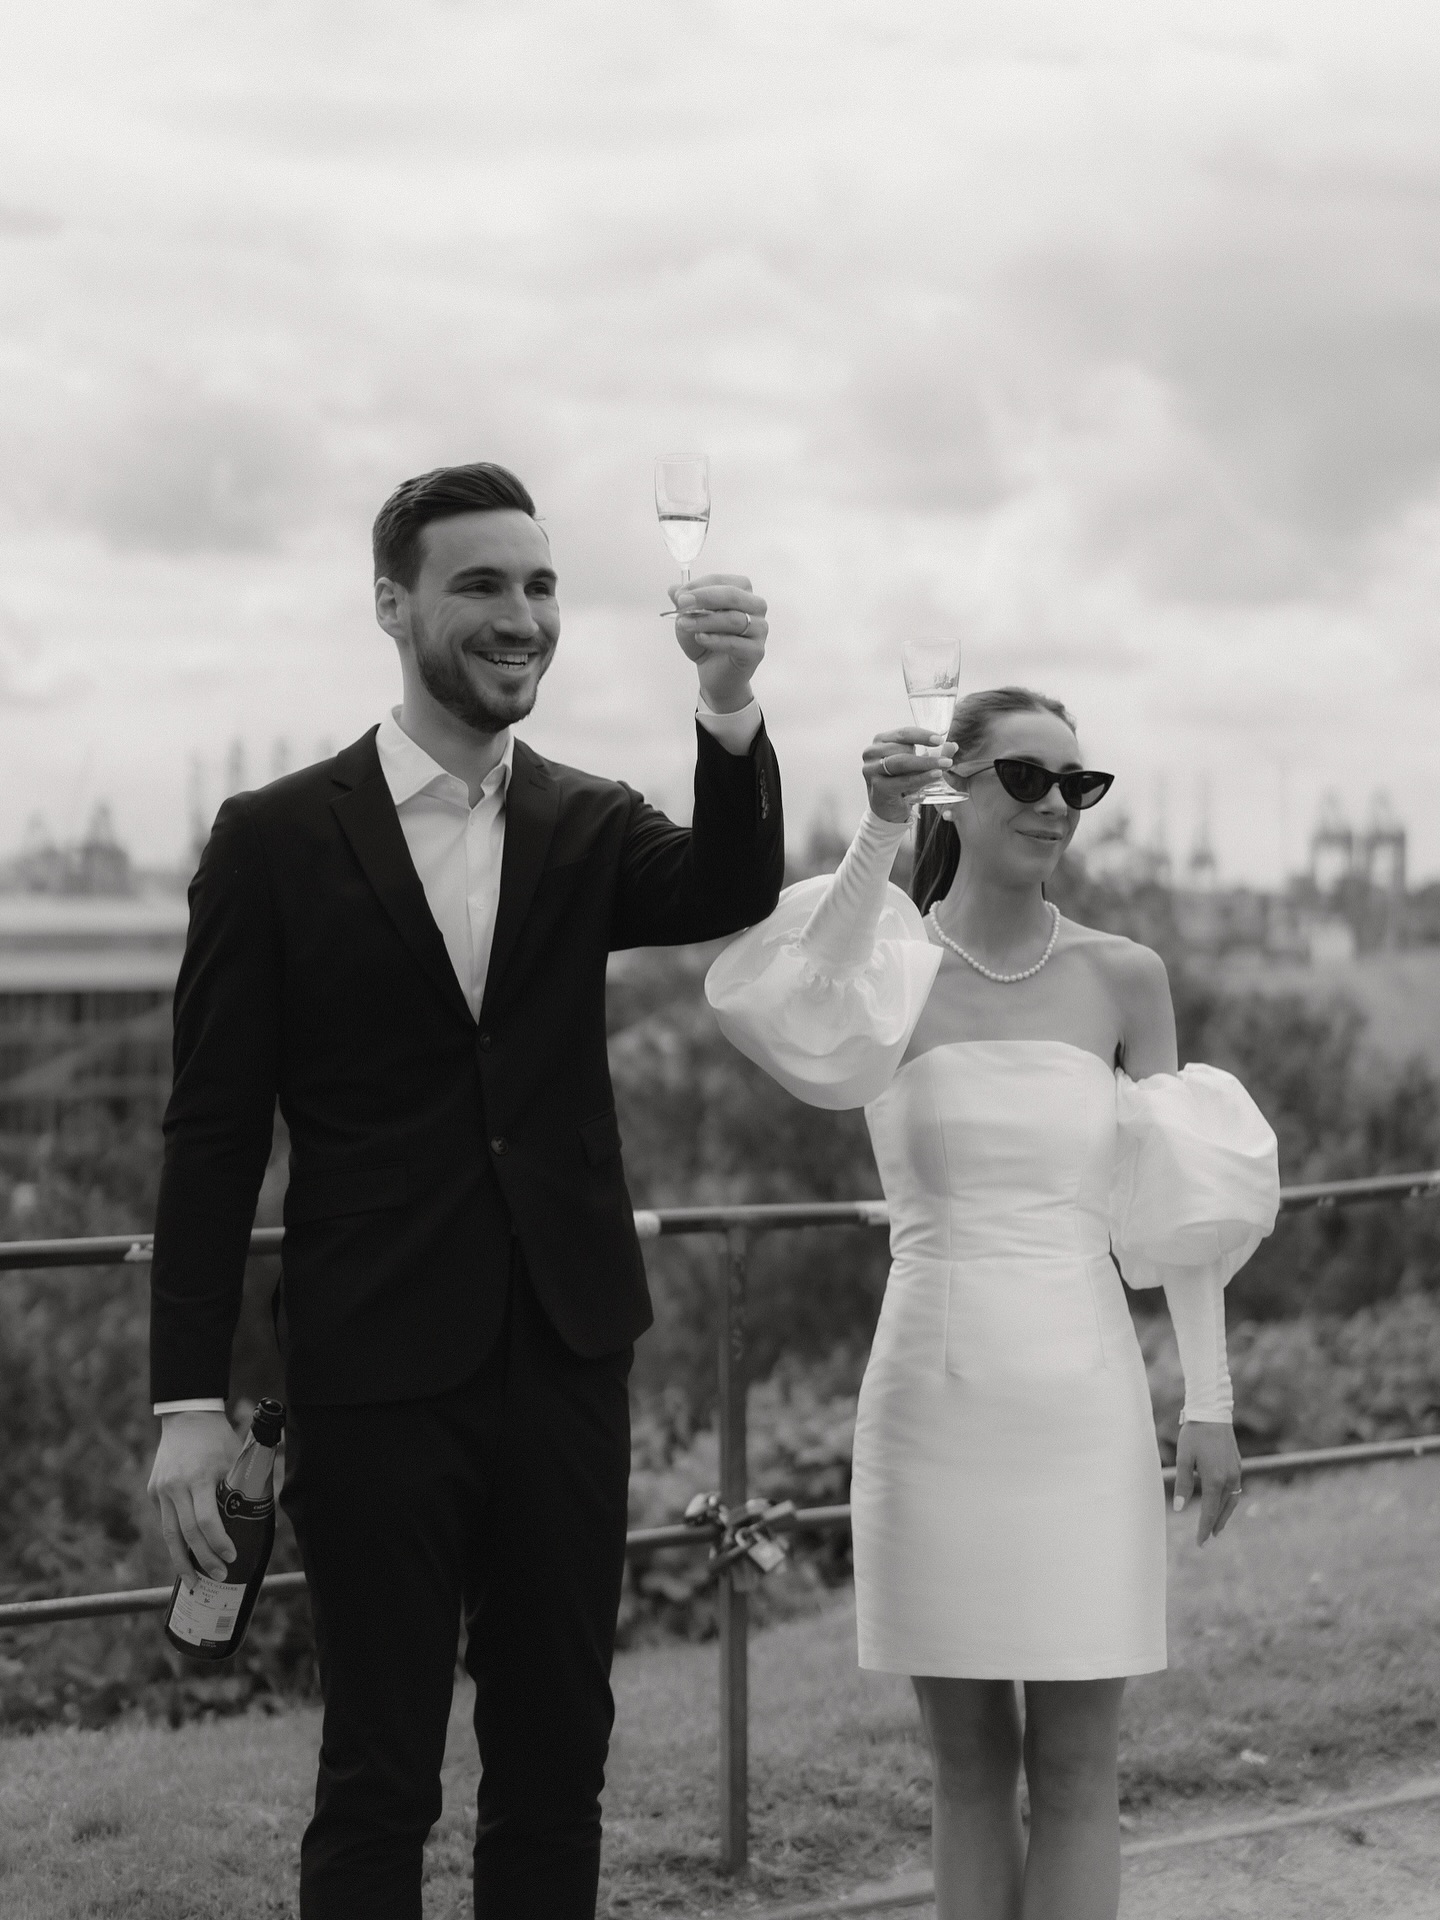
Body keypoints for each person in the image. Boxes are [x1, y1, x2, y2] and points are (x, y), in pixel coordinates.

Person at [146, 461, 784, 1920]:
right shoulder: (275, 840)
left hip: (567, 1357)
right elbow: (209, 1135)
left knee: (560, 1765)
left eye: (543, 585)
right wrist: (190, 1401)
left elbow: (731, 887)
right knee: (379, 1779)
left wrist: (731, 702)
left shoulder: (587, 820)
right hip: (372, 1370)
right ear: (393, 605)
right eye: (483, 585)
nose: (523, 616)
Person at [705, 686, 1279, 1920]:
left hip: (1085, 1411)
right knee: (967, 1772)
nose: (1057, 807)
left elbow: (1184, 1205)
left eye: (1079, 785)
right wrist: (874, 829)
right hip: (932, 1407)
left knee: (1078, 1768)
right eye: (1027, 777)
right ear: (954, 785)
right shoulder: (885, 972)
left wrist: (1211, 1403)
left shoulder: (1127, 978)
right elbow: (771, 991)